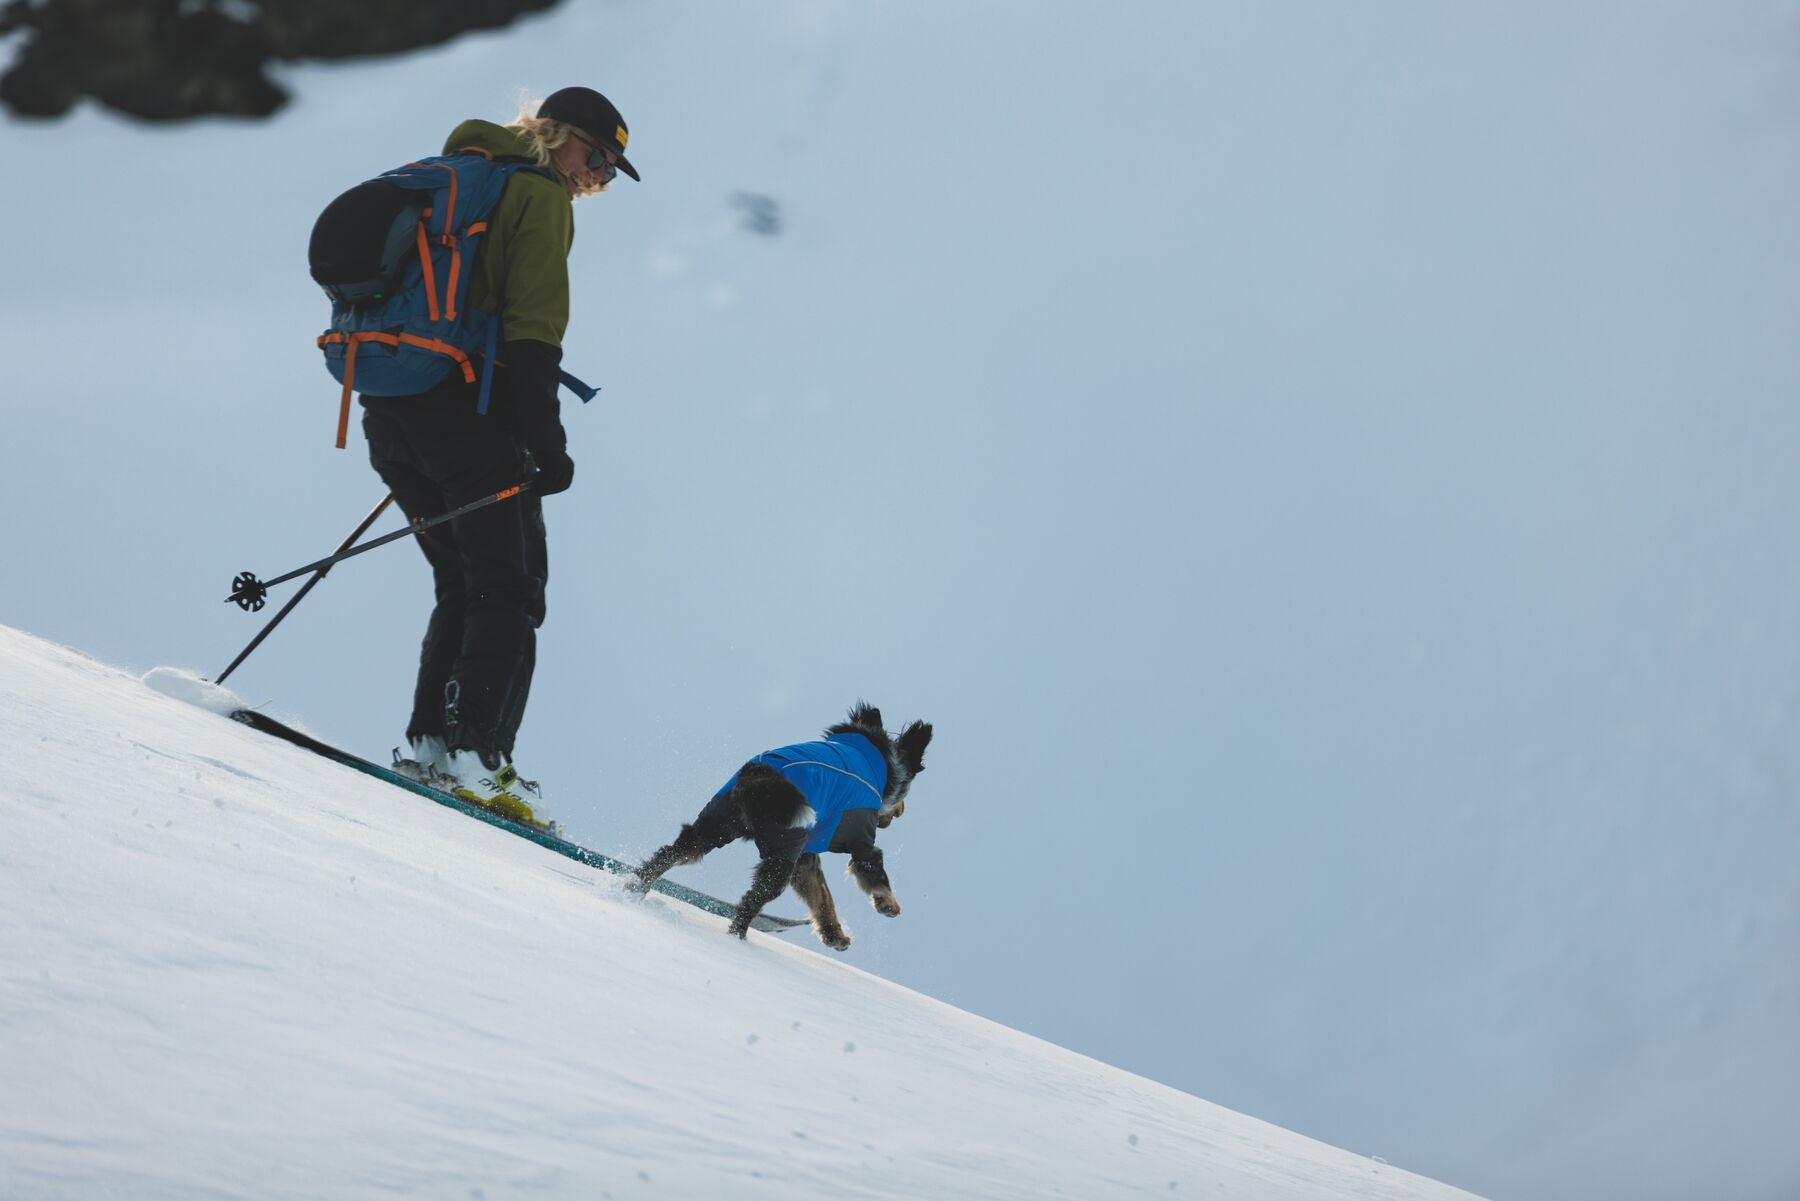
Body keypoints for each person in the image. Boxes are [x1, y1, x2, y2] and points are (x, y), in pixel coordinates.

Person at [368, 86, 639, 821]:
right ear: (556, 135)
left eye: (610, 171)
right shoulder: (537, 194)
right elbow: (532, 331)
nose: (598, 176)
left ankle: (432, 746)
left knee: (464, 579)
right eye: (597, 156)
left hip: (391, 410)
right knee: (510, 588)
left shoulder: (462, 170)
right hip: (467, 413)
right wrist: (546, 445)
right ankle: (479, 758)